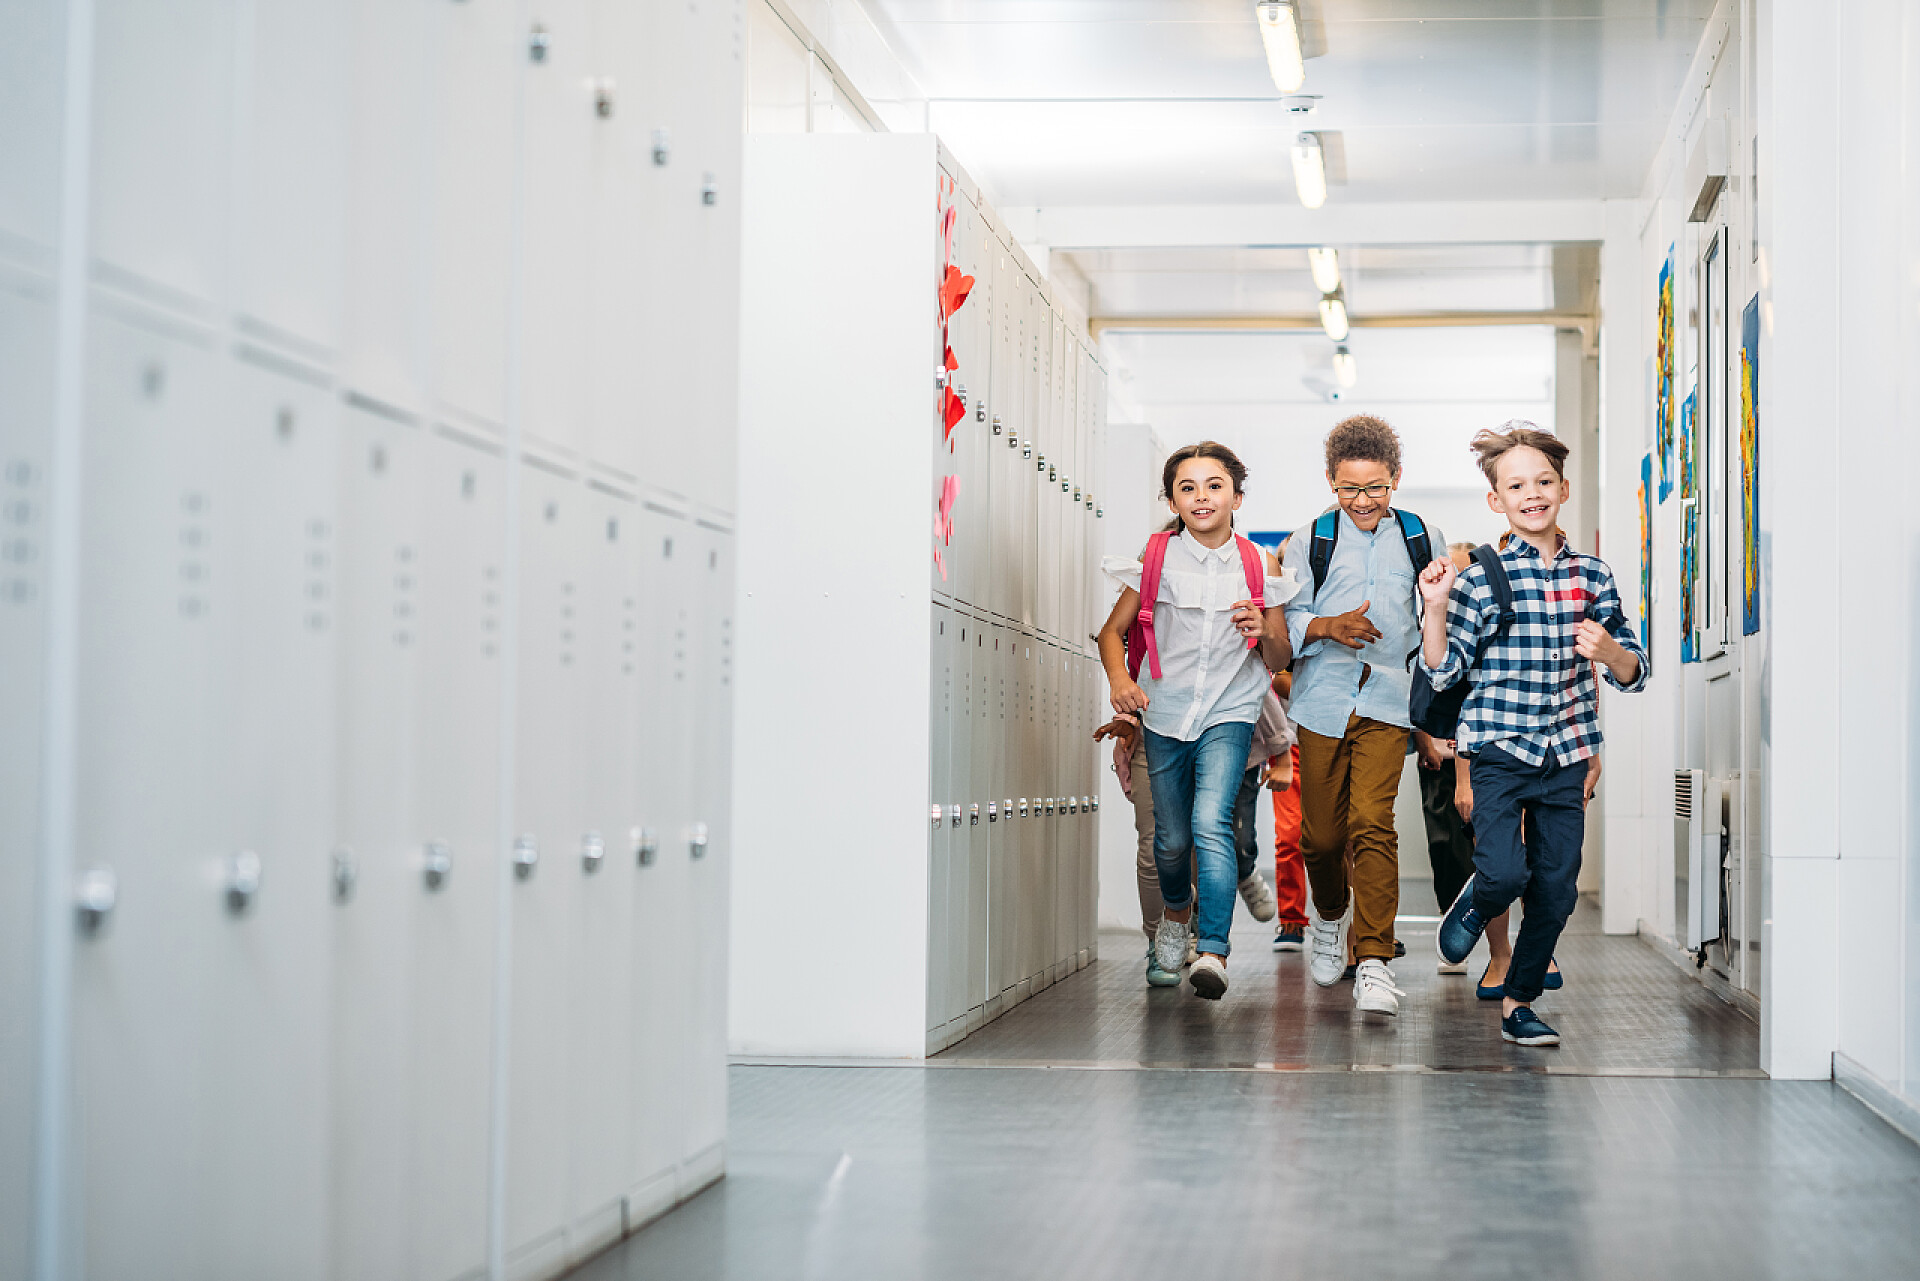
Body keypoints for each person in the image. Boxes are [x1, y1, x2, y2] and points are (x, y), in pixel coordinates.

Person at [1420, 422, 1647, 1048]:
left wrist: (1609, 653)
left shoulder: (1594, 575)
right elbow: (1443, 669)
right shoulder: (1480, 578)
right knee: (1502, 876)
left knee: (1556, 889)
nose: (1532, 493)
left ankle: (1519, 1000)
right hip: (1497, 749)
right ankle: (1474, 900)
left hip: (1567, 752)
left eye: (1543, 480)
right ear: (1496, 500)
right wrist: (1435, 607)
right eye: (1516, 484)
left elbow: (1635, 669)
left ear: (1564, 488)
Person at [1097, 442, 1297, 1000]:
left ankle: (1213, 951)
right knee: (1170, 841)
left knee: (1212, 824)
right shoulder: (1157, 557)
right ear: (1172, 499)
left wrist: (1265, 629)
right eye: (1188, 488)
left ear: (1237, 494)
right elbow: (1112, 633)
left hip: (1230, 710)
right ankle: (1175, 921)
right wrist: (1121, 683)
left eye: (1214, 486)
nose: (1201, 497)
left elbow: (1280, 659)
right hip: (1163, 712)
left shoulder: (1261, 564)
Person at [1280, 416, 1446, 1016]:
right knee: (1321, 839)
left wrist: (1433, 717)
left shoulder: (1423, 537)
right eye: (1350, 489)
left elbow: (1436, 623)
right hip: (1322, 698)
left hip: (1388, 700)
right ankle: (1328, 917)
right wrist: (1328, 627)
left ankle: (1374, 958)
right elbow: (1286, 621)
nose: (1363, 502)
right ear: (1330, 481)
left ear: (1395, 480)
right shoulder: (1309, 540)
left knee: (1373, 824)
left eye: (1375, 488)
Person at [1413, 540, 1482, 974]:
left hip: (1477, 755)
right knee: (1443, 845)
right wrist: (1424, 741)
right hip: (1437, 753)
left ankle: (1489, 933)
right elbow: (1417, 687)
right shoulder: (1430, 625)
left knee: (1486, 847)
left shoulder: (1481, 626)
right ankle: (1450, 922)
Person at [1229, 690, 1291, 929]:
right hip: (1191, 752)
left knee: (1241, 837)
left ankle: (1245, 871)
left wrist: (1281, 753)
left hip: (1246, 757)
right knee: (1199, 842)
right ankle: (1202, 927)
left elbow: (1263, 691)